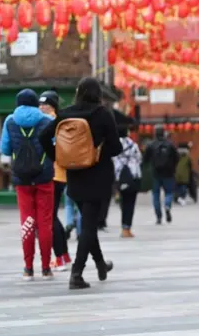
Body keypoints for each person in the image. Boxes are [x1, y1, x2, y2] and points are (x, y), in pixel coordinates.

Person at [40, 77, 121, 290]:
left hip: (74, 176)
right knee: (88, 225)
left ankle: (100, 264)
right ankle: (76, 273)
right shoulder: (103, 114)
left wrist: (58, 157)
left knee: (87, 223)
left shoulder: (66, 113)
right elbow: (116, 148)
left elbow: (43, 136)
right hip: (98, 176)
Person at [0, 89, 55, 281]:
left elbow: (5, 149)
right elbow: (55, 147)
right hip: (44, 177)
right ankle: (46, 268)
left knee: (27, 221)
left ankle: (28, 268)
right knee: (45, 222)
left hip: (21, 179)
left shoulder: (10, 121)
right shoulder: (47, 121)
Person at [38, 90, 72, 272]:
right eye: (40, 104)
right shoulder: (61, 121)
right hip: (60, 174)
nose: (42, 107)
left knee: (49, 218)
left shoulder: (49, 122)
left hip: (53, 175)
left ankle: (59, 257)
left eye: (46, 104)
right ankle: (64, 255)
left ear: (53, 106)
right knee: (52, 217)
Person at [143, 125, 179, 224]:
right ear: (164, 133)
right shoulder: (170, 144)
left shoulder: (151, 145)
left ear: (155, 133)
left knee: (156, 195)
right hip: (169, 173)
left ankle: (158, 217)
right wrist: (173, 167)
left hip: (156, 173)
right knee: (169, 192)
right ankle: (167, 205)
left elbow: (145, 159)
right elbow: (177, 158)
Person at [113, 127, 142, 238]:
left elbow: (113, 159)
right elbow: (139, 158)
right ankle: (127, 228)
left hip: (119, 177)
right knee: (130, 203)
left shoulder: (115, 145)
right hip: (132, 177)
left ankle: (123, 227)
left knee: (123, 203)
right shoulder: (133, 145)